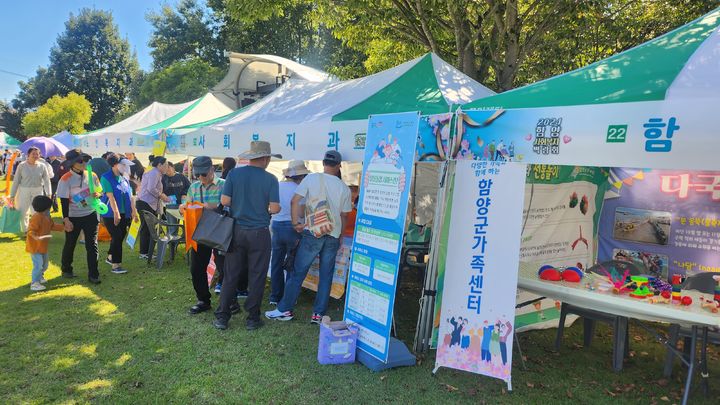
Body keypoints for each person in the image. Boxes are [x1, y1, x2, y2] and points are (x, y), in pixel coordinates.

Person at [266, 150, 352, 324]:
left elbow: (295, 201)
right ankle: (318, 314)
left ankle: (285, 309)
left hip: (312, 232)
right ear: (338, 166)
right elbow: (344, 216)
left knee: (298, 272)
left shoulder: (311, 179)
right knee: (326, 275)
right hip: (333, 234)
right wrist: (341, 235)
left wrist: (296, 222)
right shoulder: (344, 187)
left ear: (323, 163)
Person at [214, 141, 280, 331]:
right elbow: (274, 208)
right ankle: (252, 318)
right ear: (266, 159)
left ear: (251, 157)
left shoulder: (234, 173)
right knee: (257, 275)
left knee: (230, 275)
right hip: (259, 233)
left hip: (236, 231)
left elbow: (225, 200)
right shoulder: (271, 179)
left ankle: (222, 317)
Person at [180, 156, 233, 315]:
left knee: (225, 268)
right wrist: (185, 208)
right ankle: (203, 300)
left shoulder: (224, 185)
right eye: (198, 175)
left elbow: (230, 207)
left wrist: (210, 206)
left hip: (219, 231)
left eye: (204, 174)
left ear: (212, 169)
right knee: (196, 268)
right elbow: (188, 205)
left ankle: (230, 301)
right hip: (200, 232)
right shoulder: (194, 187)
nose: (201, 178)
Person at [57, 149, 102, 284]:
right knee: (70, 244)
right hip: (73, 216)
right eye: (80, 161)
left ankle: (94, 274)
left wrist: (98, 195)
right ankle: (66, 269)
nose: (84, 163)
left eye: (85, 160)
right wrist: (66, 219)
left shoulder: (92, 175)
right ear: (72, 164)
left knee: (92, 244)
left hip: (91, 214)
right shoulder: (65, 179)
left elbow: (100, 190)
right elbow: (64, 201)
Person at [268, 160, 309, 305]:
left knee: (276, 262)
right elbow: (302, 211)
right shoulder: (300, 190)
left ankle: (275, 296)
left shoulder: (277, 186)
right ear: (301, 176)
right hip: (293, 226)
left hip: (276, 225)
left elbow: (271, 206)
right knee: (292, 262)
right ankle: (289, 297)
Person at [214, 156, 248, 298]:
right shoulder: (241, 180)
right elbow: (225, 201)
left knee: (223, 255)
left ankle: (222, 284)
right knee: (240, 258)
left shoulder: (227, 178)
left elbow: (223, 202)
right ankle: (238, 288)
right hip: (238, 225)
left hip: (224, 225)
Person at [100, 153, 138, 274]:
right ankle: (116, 265)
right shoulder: (106, 177)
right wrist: (116, 214)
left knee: (121, 235)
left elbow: (130, 196)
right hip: (111, 214)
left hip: (125, 213)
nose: (127, 168)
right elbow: (110, 197)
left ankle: (110, 257)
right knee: (117, 236)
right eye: (124, 165)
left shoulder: (124, 178)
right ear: (115, 165)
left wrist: (134, 212)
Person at [10, 147, 52, 234]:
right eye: (33, 154)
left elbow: (47, 180)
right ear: (28, 155)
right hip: (24, 190)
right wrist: (12, 195)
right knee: (23, 211)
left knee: (36, 212)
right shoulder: (21, 165)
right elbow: (16, 181)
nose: (35, 156)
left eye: (37, 154)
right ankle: (26, 230)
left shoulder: (42, 166)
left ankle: (34, 229)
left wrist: (49, 193)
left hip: (38, 190)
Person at [26, 195, 64, 291]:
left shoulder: (46, 217)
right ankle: (34, 283)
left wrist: (63, 228)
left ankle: (40, 277)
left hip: (43, 247)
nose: (50, 209)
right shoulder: (36, 217)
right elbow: (31, 230)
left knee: (44, 265)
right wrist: (35, 236)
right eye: (49, 207)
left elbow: (52, 225)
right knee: (38, 265)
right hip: (35, 247)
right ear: (45, 208)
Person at [136, 156, 171, 260]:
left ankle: (148, 251)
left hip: (148, 203)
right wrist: (161, 195)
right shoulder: (154, 172)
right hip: (145, 203)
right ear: (159, 165)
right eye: (165, 165)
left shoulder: (156, 173)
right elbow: (151, 188)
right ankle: (144, 253)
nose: (167, 167)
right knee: (146, 228)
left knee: (149, 228)